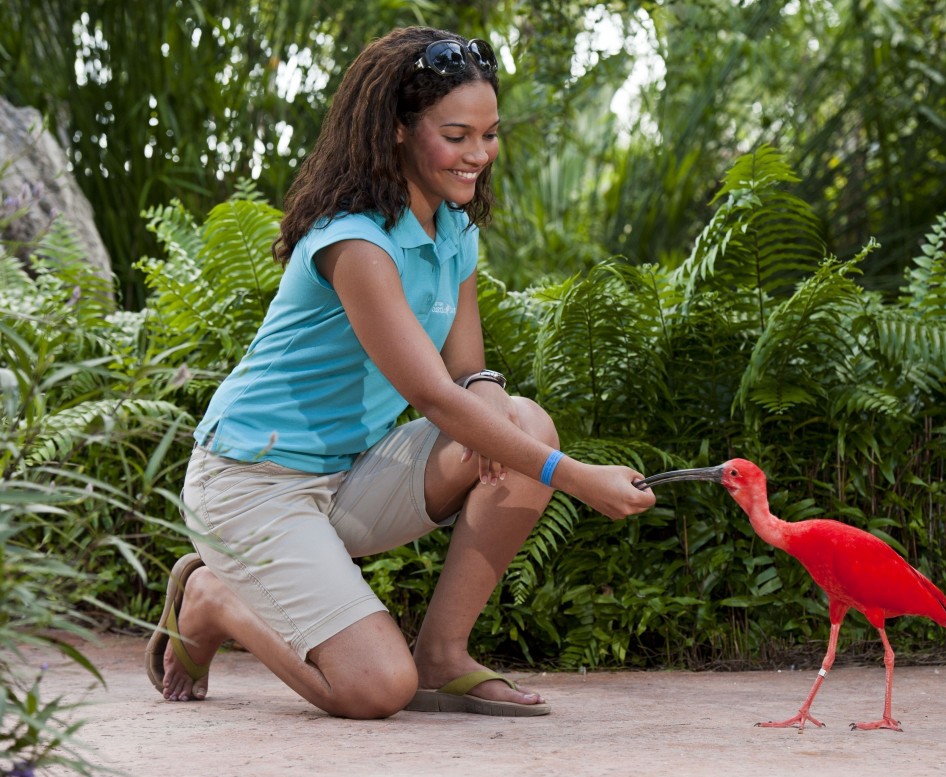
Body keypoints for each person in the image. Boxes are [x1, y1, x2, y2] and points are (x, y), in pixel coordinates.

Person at [145, 26, 657, 719]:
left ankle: (443, 653)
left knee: (521, 419)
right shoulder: (354, 240)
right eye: (456, 135)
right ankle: (214, 599)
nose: (478, 155)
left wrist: (495, 412)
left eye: (489, 134)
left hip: (346, 474)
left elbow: (467, 371)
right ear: (397, 130)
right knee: (375, 689)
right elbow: (429, 393)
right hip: (251, 484)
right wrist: (574, 477)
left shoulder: (454, 229)